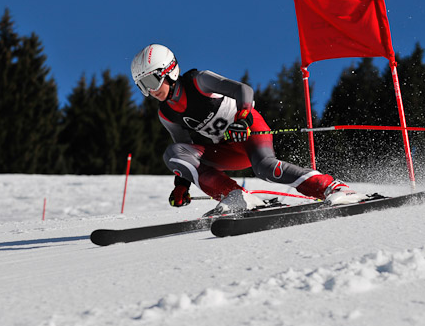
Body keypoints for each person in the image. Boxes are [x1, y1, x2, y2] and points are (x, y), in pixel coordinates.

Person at [130, 44, 365, 213]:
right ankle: (235, 197)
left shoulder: (199, 81)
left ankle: (333, 188)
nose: (150, 91)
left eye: (151, 82)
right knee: (173, 153)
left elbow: (243, 91)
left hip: (249, 130)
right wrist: (182, 184)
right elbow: (187, 151)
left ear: (168, 71)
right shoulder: (166, 114)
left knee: (265, 168)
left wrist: (241, 119)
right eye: (142, 86)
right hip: (226, 149)